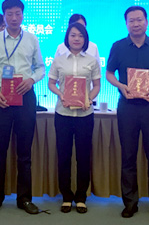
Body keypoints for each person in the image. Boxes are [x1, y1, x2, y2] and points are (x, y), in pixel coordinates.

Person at [105, 6, 149, 219]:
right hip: (128, 107)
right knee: (128, 156)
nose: (136, 24)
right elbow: (109, 73)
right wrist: (120, 86)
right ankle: (130, 203)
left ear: (146, 22)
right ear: (126, 24)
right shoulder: (118, 46)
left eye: (139, 19)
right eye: (131, 20)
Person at [0, 0, 45, 214]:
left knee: (24, 152)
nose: (14, 18)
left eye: (17, 13)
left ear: (22, 15)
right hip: (1, 97)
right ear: (4, 16)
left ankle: (24, 199)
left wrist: (31, 80)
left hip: (25, 96)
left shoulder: (31, 39)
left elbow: (40, 68)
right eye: (9, 14)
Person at [48, 22, 100, 214]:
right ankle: (66, 196)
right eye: (73, 35)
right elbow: (51, 83)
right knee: (64, 156)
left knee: (83, 156)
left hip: (85, 115)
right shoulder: (59, 60)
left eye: (80, 36)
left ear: (85, 39)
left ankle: (81, 197)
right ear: (67, 38)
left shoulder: (92, 61)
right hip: (63, 114)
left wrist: (89, 99)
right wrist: (61, 95)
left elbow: (97, 85)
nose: (76, 39)